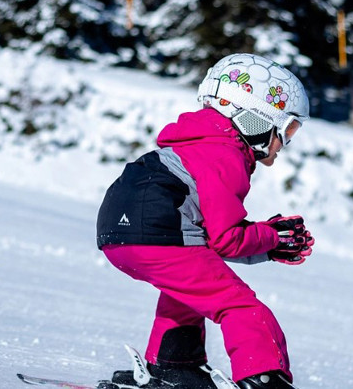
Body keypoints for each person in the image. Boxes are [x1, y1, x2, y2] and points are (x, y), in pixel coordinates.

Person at [96, 53, 314, 389]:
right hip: (158, 231)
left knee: (188, 291)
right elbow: (226, 239)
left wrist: (266, 242)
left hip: (117, 233)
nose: (284, 145)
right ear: (255, 119)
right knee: (240, 307)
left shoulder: (195, 145)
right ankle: (264, 378)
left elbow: (210, 241)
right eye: (286, 130)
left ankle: (176, 366)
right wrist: (272, 238)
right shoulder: (225, 154)